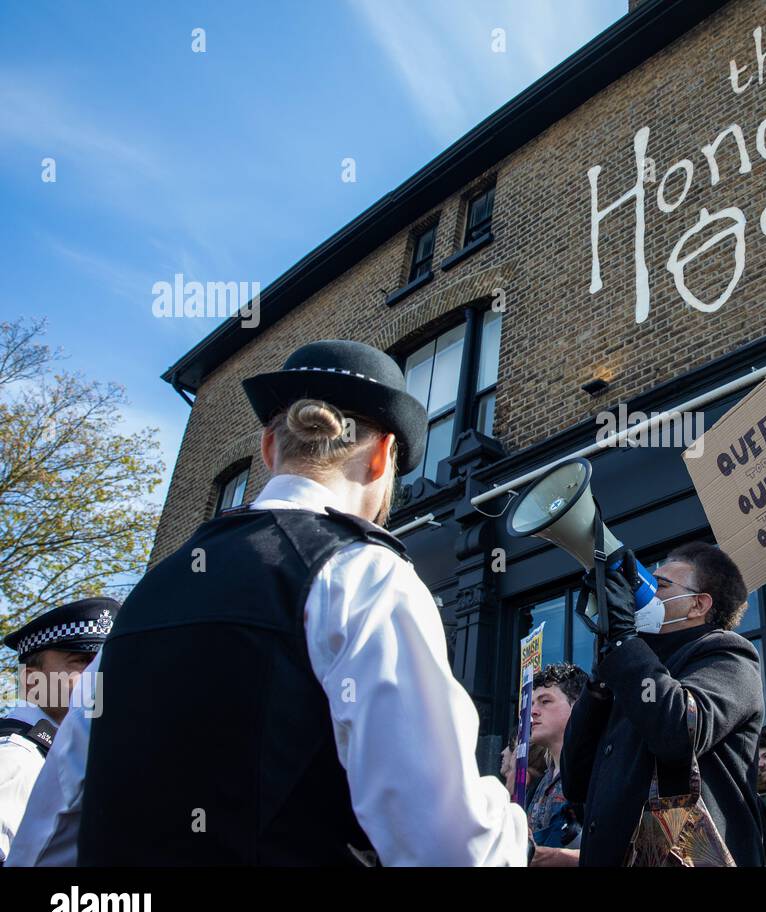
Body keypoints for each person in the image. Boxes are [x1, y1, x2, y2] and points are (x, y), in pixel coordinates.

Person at [76, 339, 528, 865]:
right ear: (383, 456)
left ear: (269, 449)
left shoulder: (146, 594)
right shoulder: (367, 575)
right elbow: (449, 846)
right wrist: (511, 823)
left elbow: (55, 821)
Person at [561, 541, 765, 866]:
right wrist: (602, 677)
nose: (647, 594)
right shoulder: (637, 664)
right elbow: (576, 782)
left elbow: (679, 732)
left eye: (661, 586)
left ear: (698, 604)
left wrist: (625, 642)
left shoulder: (729, 656)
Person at [0, 598, 116, 863]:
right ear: (31, 681)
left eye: (102, 663)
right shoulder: (14, 758)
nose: (97, 676)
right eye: (81, 661)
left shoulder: (59, 753)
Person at [527, 663, 589, 866]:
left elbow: (623, 854)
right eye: (531, 703)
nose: (532, 712)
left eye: (545, 701)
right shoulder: (540, 782)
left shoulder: (598, 773)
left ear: (578, 706)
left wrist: (553, 857)